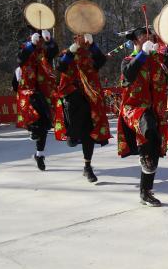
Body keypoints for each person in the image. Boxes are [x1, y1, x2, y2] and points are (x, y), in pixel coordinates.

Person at [117, 27, 168, 206]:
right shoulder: (127, 61)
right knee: (148, 127)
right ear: (135, 41)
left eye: (151, 36)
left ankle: (145, 191)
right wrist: (142, 54)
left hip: (155, 110)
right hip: (134, 109)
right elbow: (128, 75)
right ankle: (146, 155)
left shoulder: (158, 61)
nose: (148, 39)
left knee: (153, 149)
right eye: (144, 36)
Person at [54, 33, 112, 182]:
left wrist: (93, 45)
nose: (81, 41)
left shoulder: (91, 55)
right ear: (74, 40)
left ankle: (88, 166)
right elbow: (60, 66)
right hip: (72, 96)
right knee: (74, 131)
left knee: (88, 133)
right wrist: (73, 50)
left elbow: (101, 60)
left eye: (84, 38)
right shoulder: (67, 53)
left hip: (90, 98)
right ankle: (72, 135)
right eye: (78, 38)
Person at [16, 28, 58, 171]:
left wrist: (50, 41)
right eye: (37, 39)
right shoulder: (26, 48)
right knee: (34, 112)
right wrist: (31, 46)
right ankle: (32, 128)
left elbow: (54, 52)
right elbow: (20, 58)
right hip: (28, 88)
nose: (40, 42)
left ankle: (39, 154)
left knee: (44, 127)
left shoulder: (44, 53)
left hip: (44, 90)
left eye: (41, 40)